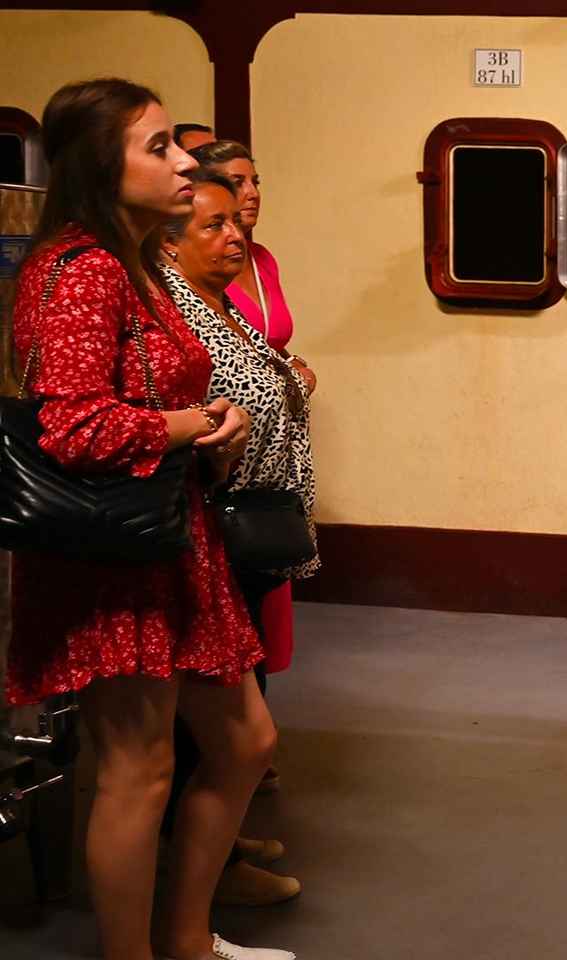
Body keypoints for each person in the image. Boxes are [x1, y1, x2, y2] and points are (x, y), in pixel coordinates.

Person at [6, 78, 295, 960]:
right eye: (159, 146)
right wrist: (192, 424)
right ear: (103, 164)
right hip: (116, 557)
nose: (184, 164)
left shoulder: (130, 260)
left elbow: (149, 394)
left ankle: (189, 942)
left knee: (245, 741)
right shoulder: (85, 269)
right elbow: (74, 425)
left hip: (174, 540)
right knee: (139, 770)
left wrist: (212, 426)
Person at [153, 169, 320, 907]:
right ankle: (203, 873)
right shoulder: (172, 312)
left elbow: (269, 378)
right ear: (169, 242)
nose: (234, 236)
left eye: (235, 222)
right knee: (210, 725)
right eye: (213, 225)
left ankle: (218, 840)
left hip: (251, 527)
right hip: (211, 531)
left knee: (246, 692)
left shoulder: (220, 304)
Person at [189, 141, 314, 794]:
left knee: (251, 654)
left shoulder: (230, 294)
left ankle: (231, 810)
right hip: (216, 513)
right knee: (217, 686)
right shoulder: (177, 306)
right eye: (216, 222)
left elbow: (265, 355)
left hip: (261, 503)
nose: (238, 223)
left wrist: (290, 374)